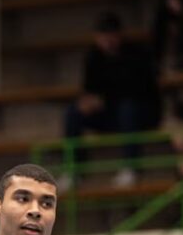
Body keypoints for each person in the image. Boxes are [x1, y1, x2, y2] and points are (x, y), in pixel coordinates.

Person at [64, 12, 162, 188]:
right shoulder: (93, 57)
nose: (107, 41)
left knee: (128, 109)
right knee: (73, 112)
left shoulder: (137, 54)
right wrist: (88, 101)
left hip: (141, 113)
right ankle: (74, 169)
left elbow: (140, 90)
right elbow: (89, 89)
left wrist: (105, 100)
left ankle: (131, 167)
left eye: (110, 35)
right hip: (109, 114)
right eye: (102, 36)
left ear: (119, 35)